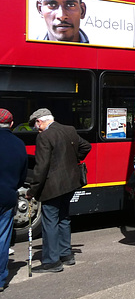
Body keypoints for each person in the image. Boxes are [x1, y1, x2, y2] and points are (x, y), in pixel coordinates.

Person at [25, 108, 91, 273]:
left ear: (40, 121)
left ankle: (52, 261)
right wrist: (74, 159)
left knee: (50, 222)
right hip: (70, 183)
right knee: (64, 218)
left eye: (35, 125)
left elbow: (41, 168)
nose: (36, 128)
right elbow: (86, 146)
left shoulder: (44, 136)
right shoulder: (69, 130)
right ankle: (66, 254)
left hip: (52, 186)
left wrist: (32, 190)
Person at [0, 109, 27, 292]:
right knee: (2, 239)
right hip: (6, 198)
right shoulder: (19, 144)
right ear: (11, 124)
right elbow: (21, 177)